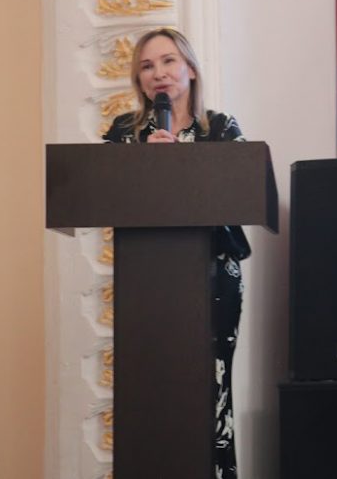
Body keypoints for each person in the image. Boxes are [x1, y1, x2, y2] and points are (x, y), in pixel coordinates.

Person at [103, 27, 248, 479]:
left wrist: (177, 169)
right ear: (139, 79)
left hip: (213, 280)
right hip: (145, 285)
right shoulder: (123, 134)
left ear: (190, 69)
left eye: (168, 61)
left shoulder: (220, 129)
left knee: (209, 388)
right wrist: (145, 166)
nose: (158, 73)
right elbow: (102, 195)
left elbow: (239, 196)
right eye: (147, 66)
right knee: (150, 388)